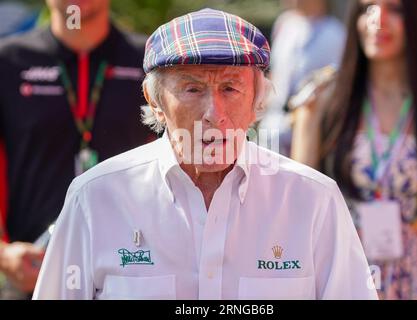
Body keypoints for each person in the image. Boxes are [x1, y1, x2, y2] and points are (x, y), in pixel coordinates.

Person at [32, 8, 377, 300]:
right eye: (192, 88)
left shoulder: (313, 199)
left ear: (258, 100)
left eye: (230, 88)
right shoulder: (95, 198)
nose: (214, 112)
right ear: (154, 101)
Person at [291, 0, 417, 299]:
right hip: (347, 275)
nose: (378, 19)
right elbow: (300, 206)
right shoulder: (324, 99)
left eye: (396, 9)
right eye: (367, 8)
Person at [0, 0, 154, 295]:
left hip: (134, 273)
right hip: (34, 274)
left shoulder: (149, 61)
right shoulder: (9, 61)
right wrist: (3, 255)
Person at [259, 0, 345, 156]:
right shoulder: (285, 25)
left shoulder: (335, 34)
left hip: (304, 133)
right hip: (272, 127)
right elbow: (276, 72)